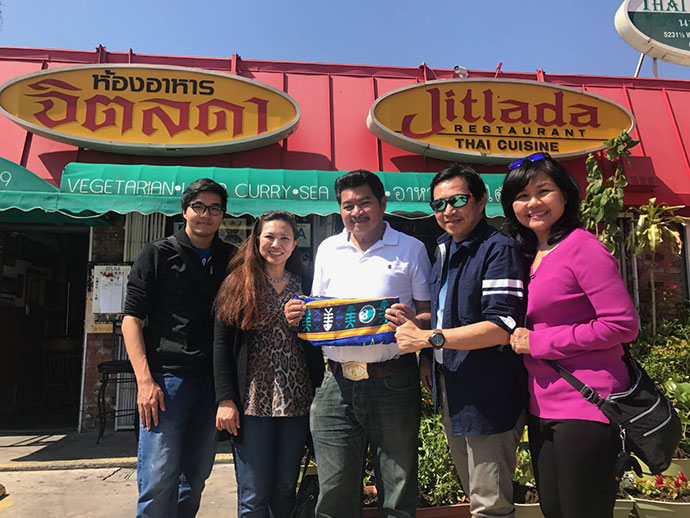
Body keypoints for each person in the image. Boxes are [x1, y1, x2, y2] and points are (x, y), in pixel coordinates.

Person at [284, 169, 431, 518]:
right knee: (334, 488)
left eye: (364, 203)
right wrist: (297, 315)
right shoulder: (328, 249)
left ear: (382, 204)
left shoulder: (411, 248)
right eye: (348, 205)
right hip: (335, 383)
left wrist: (413, 322)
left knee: (397, 484)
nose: (356, 212)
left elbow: (429, 314)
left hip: (393, 380)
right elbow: (319, 312)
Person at [501, 152, 639, 518]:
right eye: (522, 196)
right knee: (554, 510)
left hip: (587, 403)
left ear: (565, 194)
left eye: (543, 191)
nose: (533, 203)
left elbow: (622, 324)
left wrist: (539, 342)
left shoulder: (583, 247)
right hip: (541, 406)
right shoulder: (529, 253)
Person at [395, 164, 528, 518]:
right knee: (474, 492)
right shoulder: (443, 248)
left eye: (457, 200)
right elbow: (444, 315)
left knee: (489, 503)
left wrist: (428, 339)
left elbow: (502, 326)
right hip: (451, 386)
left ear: (481, 201)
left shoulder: (498, 250)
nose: (447, 211)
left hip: (488, 393)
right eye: (438, 204)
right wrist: (426, 351)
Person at [122, 178, 235, 518]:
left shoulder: (231, 258)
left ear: (223, 215)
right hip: (166, 381)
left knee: (195, 478)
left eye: (214, 208)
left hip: (212, 383)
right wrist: (145, 381)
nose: (206, 214)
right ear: (184, 210)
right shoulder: (157, 253)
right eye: (198, 206)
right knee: (158, 477)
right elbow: (131, 319)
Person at [213, 210, 325, 518]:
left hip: (297, 402)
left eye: (285, 238)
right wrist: (225, 399)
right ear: (256, 240)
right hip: (252, 404)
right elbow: (221, 346)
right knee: (253, 494)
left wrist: (306, 323)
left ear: (295, 243)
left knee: (286, 489)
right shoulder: (238, 283)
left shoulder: (307, 284)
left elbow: (322, 337)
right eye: (269, 237)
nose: (277, 244)